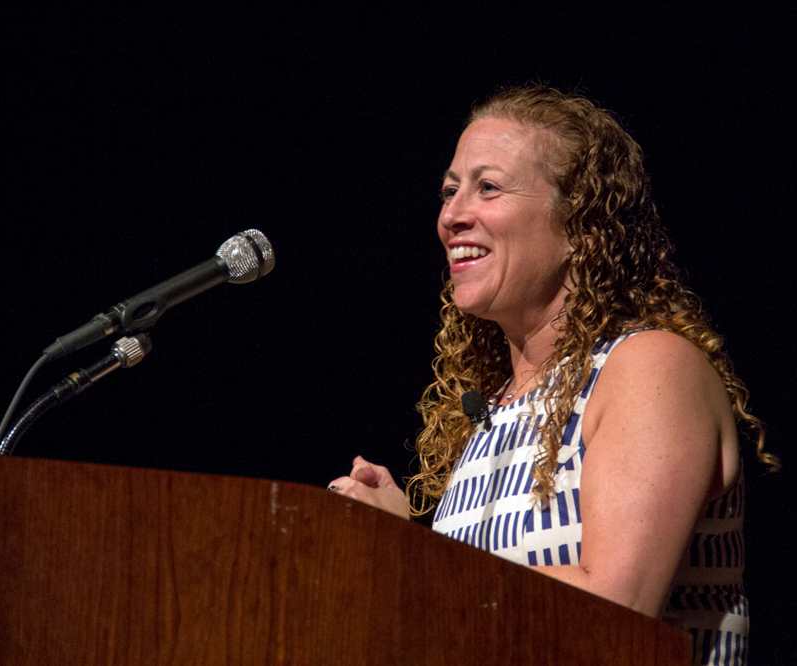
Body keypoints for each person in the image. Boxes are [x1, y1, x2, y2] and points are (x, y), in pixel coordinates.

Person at [328, 86, 777, 666]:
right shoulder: (493, 410)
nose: (451, 215)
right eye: (449, 190)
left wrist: (415, 561)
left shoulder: (648, 367)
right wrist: (403, 548)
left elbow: (615, 607)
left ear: (580, 227)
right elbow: (482, 614)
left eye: (487, 187)